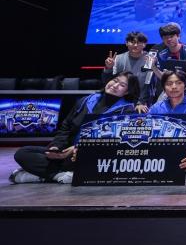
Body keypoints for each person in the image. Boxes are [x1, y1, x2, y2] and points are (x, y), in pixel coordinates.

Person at [10, 72, 140, 184]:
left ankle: (47, 175)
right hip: (66, 153)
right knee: (23, 153)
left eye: (122, 85)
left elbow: (114, 142)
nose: (115, 85)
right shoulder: (86, 100)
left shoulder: (127, 111)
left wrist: (77, 149)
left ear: (127, 92)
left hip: (94, 156)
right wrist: (56, 147)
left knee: (85, 159)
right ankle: (60, 176)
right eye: (115, 80)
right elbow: (66, 127)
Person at [149, 70, 186, 174]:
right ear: (163, 88)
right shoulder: (156, 108)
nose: (174, 87)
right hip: (161, 150)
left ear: (185, 85)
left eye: (179, 83)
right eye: (169, 84)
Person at [102, 31, 150, 112]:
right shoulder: (118, 59)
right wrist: (108, 68)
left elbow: (149, 85)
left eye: (139, 42)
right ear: (126, 43)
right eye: (132, 42)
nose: (135, 45)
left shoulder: (150, 60)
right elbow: (108, 82)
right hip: (120, 101)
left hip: (142, 102)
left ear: (144, 44)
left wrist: (141, 102)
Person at [151, 22, 186, 90]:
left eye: (171, 36)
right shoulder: (162, 54)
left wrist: (175, 76)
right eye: (165, 37)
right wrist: (153, 67)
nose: (169, 39)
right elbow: (163, 77)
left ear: (178, 36)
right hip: (171, 89)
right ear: (162, 39)